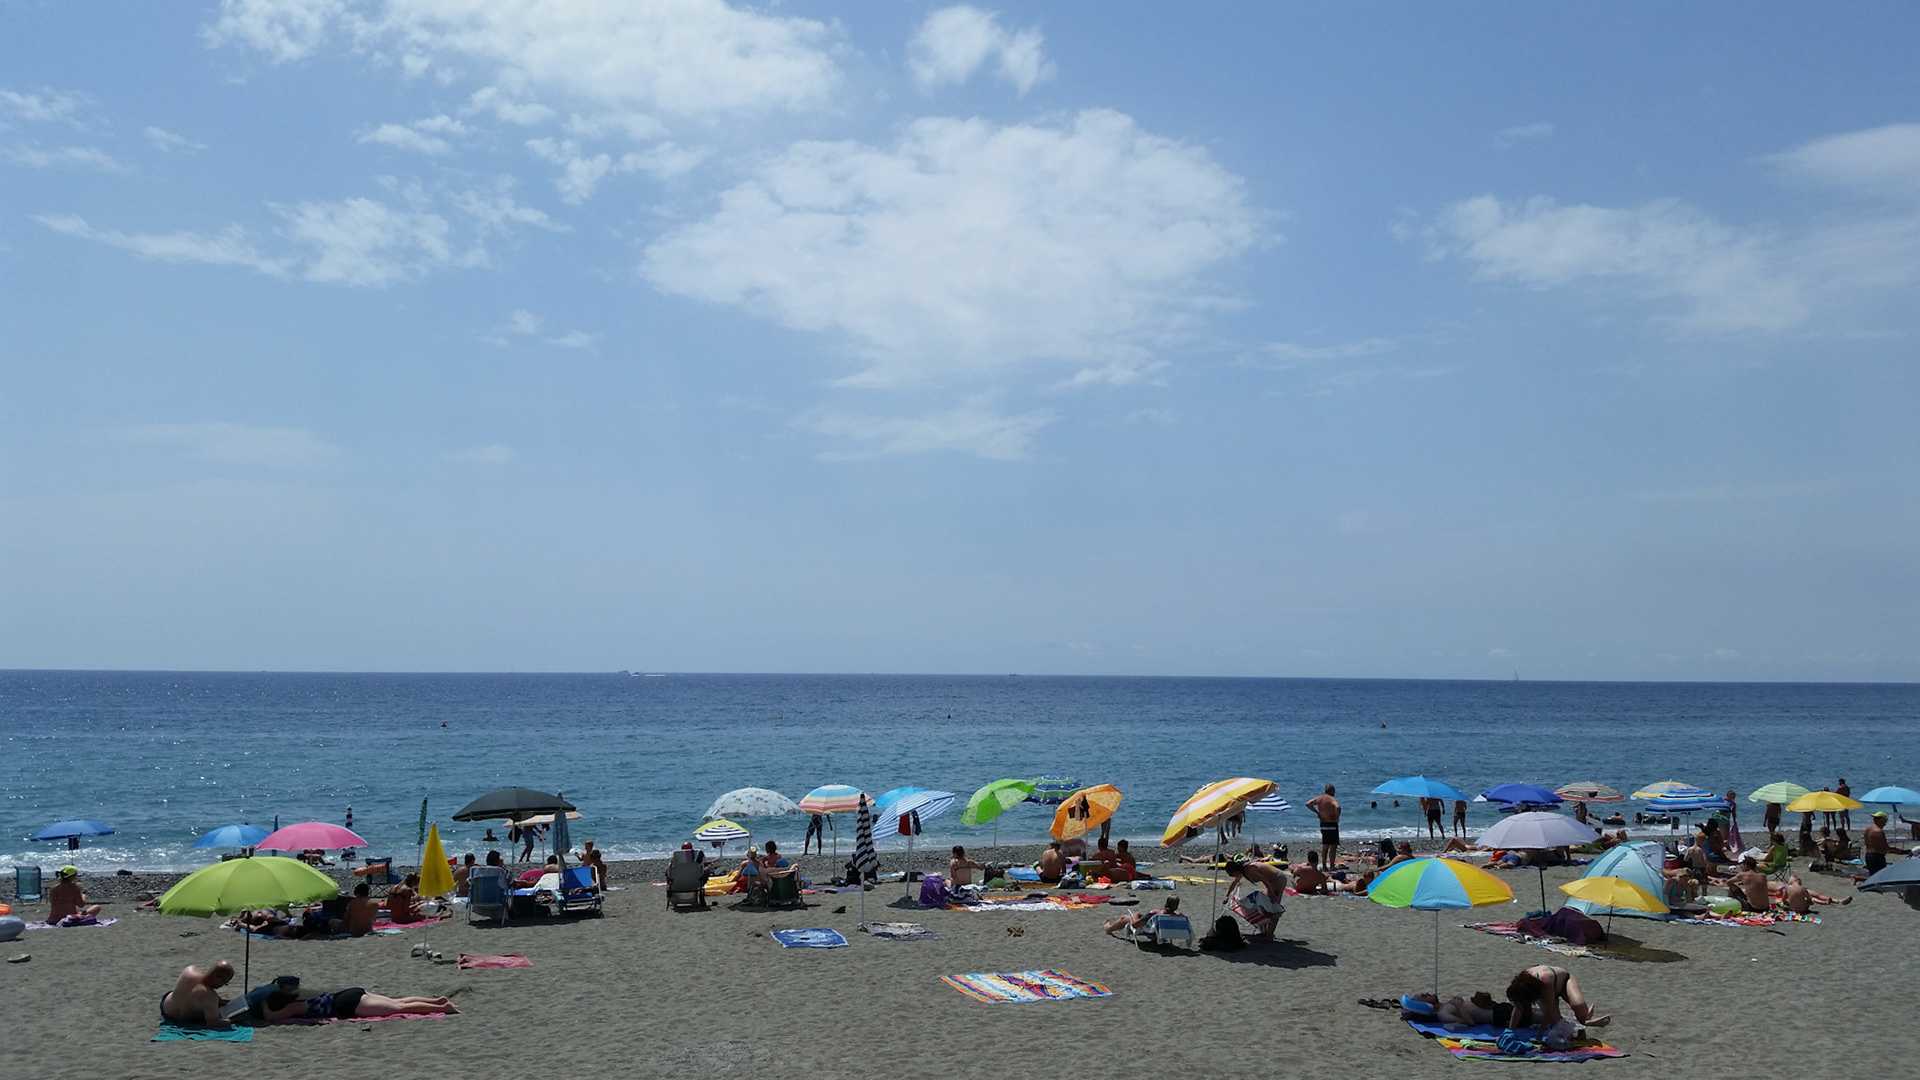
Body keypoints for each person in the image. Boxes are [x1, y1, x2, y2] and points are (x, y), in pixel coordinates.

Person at [257, 985, 460, 1022]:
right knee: (398, 1001)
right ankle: (436, 1001)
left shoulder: (293, 1007)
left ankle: (443, 1008)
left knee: (399, 1008)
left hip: (348, 1005)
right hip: (348, 993)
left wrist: (265, 1005)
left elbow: (271, 1018)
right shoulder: (298, 996)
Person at [1507, 965, 1609, 1036]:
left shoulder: (1544, 979)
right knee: (1556, 1022)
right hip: (1543, 990)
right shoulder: (1521, 986)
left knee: (1578, 1006)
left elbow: (1549, 1009)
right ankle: (1587, 1022)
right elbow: (1518, 1008)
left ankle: (1583, 1023)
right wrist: (1509, 1031)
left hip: (1564, 982)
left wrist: (1540, 1035)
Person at [1222, 857, 1287, 941]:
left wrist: (1273, 895)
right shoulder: (1242, 871)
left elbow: (1264, 880)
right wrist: (1227, 895)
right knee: (1264, 906)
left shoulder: (1250, 869)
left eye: (1231, 874)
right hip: (1271, 881)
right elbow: (1235, 882)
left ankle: (1269, 935)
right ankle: (1265, 932)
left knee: (1273, 907)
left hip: (1277, 879)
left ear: (1236, 871)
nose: (1231, 876)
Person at [160, 960, 237, 1027]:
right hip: (185, 1020)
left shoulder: (189, 970)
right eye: (225, 982)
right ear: (218, 979)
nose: (223, 985)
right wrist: (232, 1020)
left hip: (167, 1011)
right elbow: (214, 1024)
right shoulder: (210, 996)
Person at [1103, 895, 1179, 936]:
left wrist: (1136, 915)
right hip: (1163, 931)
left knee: (1124, 918)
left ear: (1166, 903)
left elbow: (1135, 924)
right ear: (1176, 906)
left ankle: (1109, 928)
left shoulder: (1155, 913)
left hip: (1150, 930)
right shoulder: (1179, 915)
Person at [1306, 784, 1342, 867]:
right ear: (1332, 791)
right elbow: (1338, 807)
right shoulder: (1331, 799)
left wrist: (1317, 813)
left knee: (1325, 846)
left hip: (1323, 824)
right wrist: (1336, 816)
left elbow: (1308, 804)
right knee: (1333, 846)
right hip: (1332, 824)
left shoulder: (1319, 798)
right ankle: (1332, 866)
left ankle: (1324, 866)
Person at [1780, 875, 1849, 913]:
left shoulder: (1788, 886)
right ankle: (1836, 901)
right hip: (1798, 895)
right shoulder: (1800, 888)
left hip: (1791, 896)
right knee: (1814, 897)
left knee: (1816, 895)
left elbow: (1783, 899)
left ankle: (1836, 901)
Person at [1861, 811, 1894, 878]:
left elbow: (1867, 843)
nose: (1884, 825)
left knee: (1873, 876)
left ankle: (1857, 878)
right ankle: (1856, 878)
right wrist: (1900, 851)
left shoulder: (1867, 829)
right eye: (1885, 822)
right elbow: (1885, 847)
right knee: (1880, 877)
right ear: (1881, 820)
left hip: (1868, 855)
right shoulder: (1879, 831)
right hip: (1877, 857)